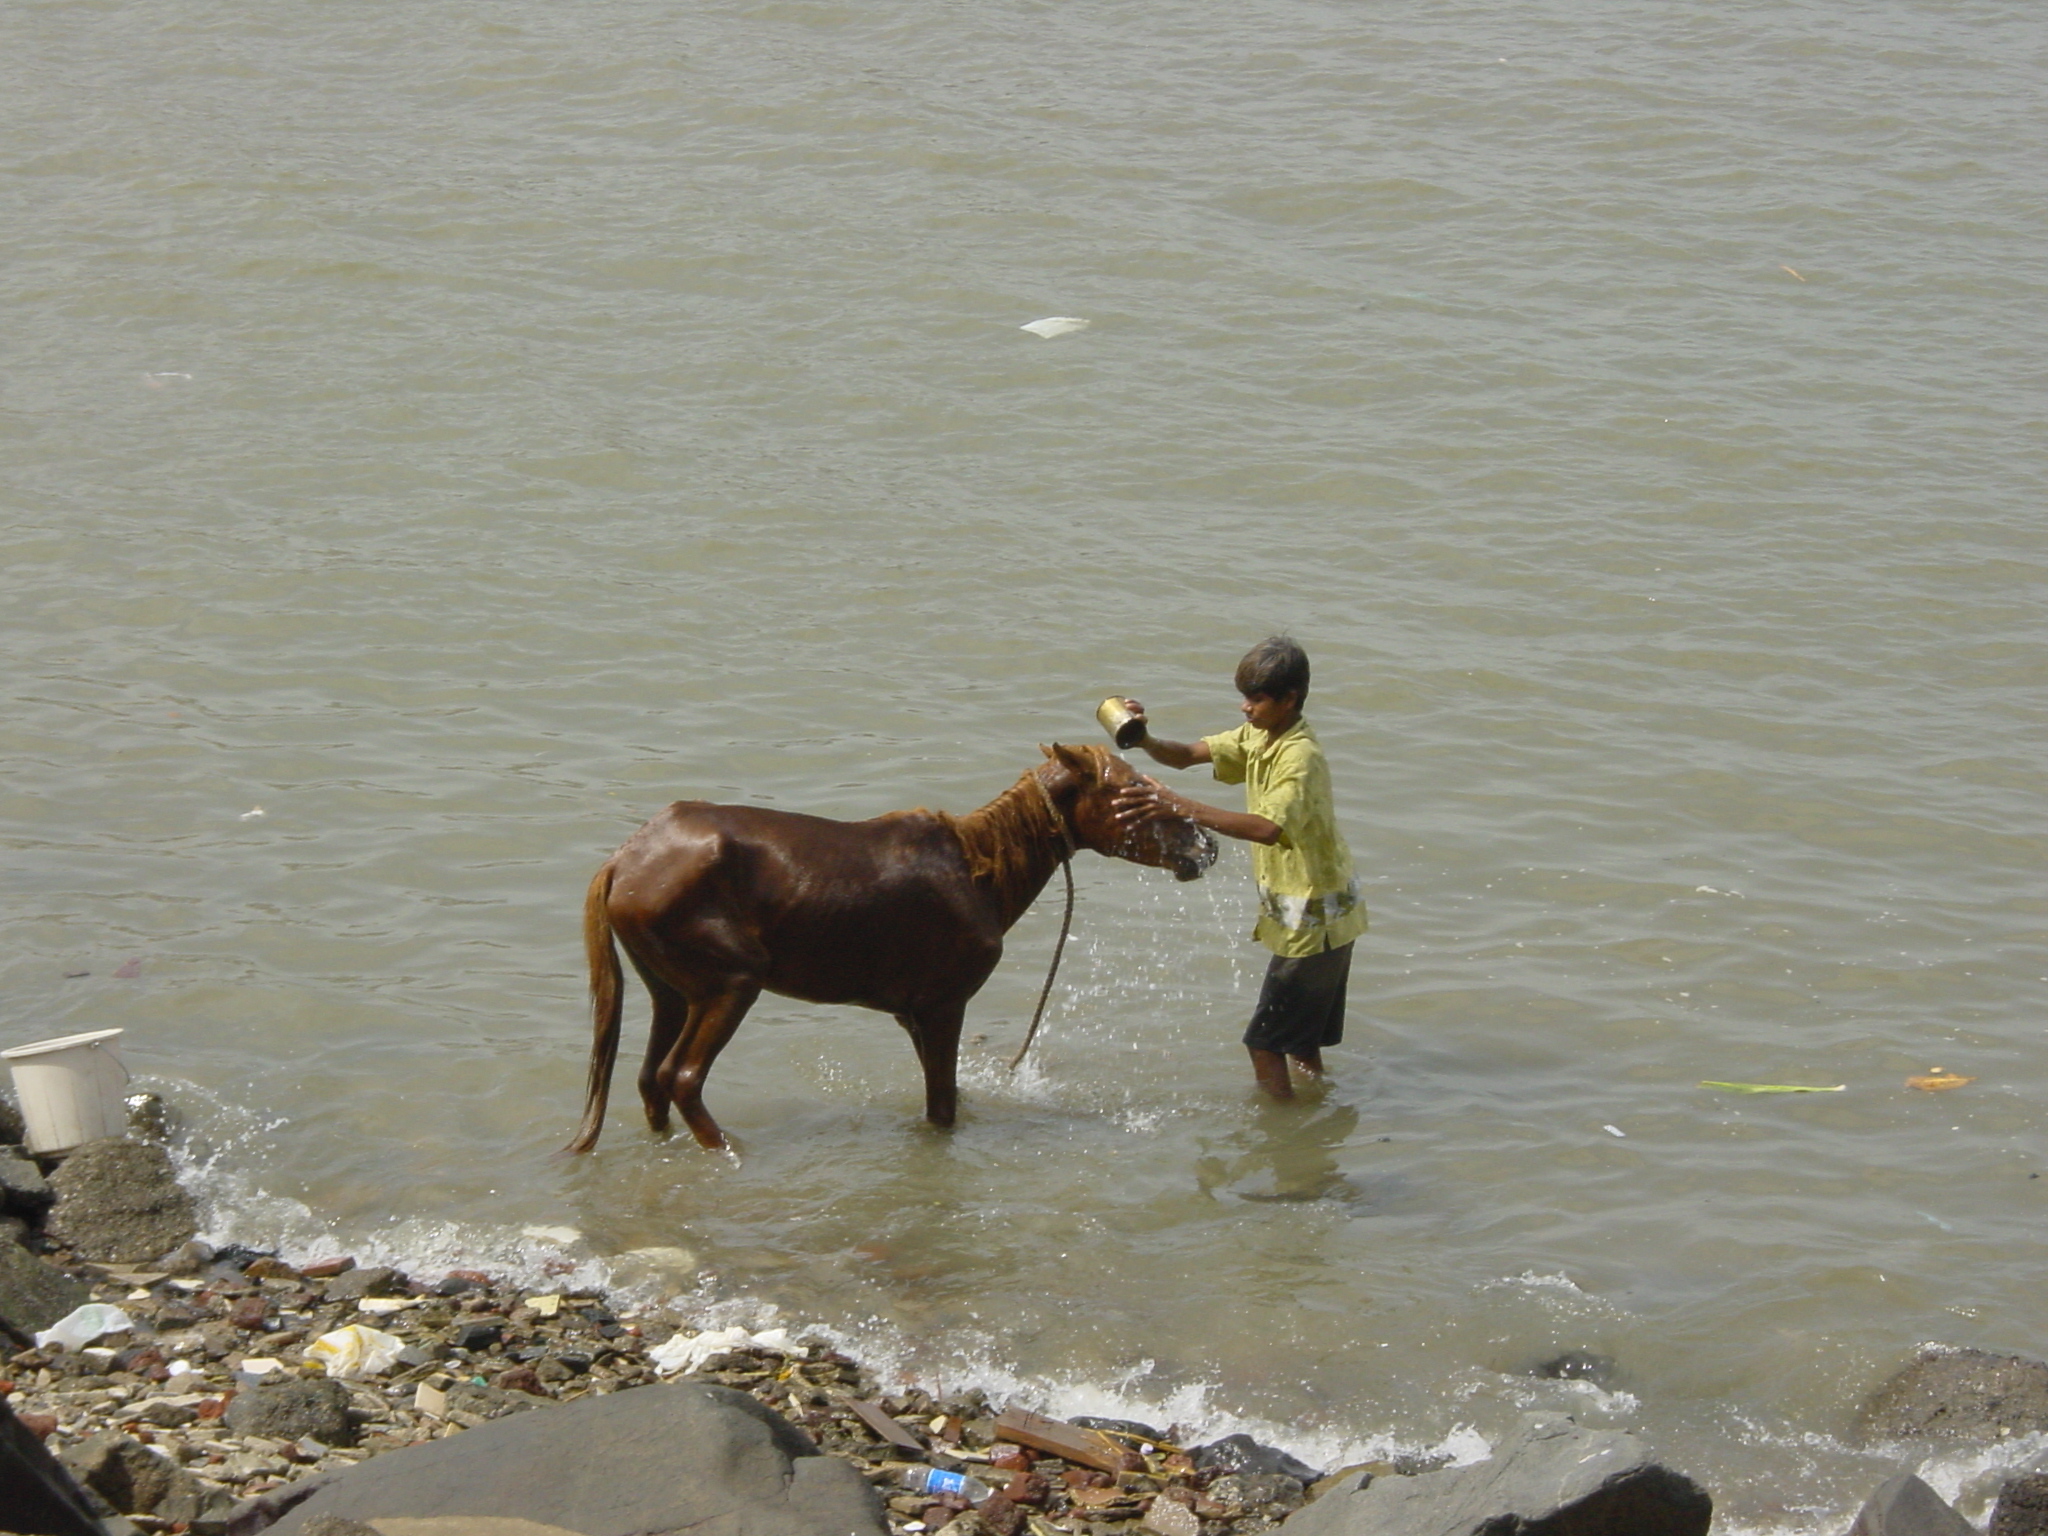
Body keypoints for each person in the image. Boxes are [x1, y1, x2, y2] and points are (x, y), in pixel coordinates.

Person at [1111, 637, 1364, 1099]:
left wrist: (1174, 805)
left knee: (1264, 1043)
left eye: (1256, 699)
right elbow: (1186, 755)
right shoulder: (1261, 736)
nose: (1245, 708)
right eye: (1244, 697)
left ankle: (1284, 1139)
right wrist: (1143, 737)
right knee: (1301, 1043)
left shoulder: (1299, 757)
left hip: (1314, 922)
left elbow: (1266, 828)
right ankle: (1319, 1121)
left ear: (1289, 699)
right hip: (1324, 913)